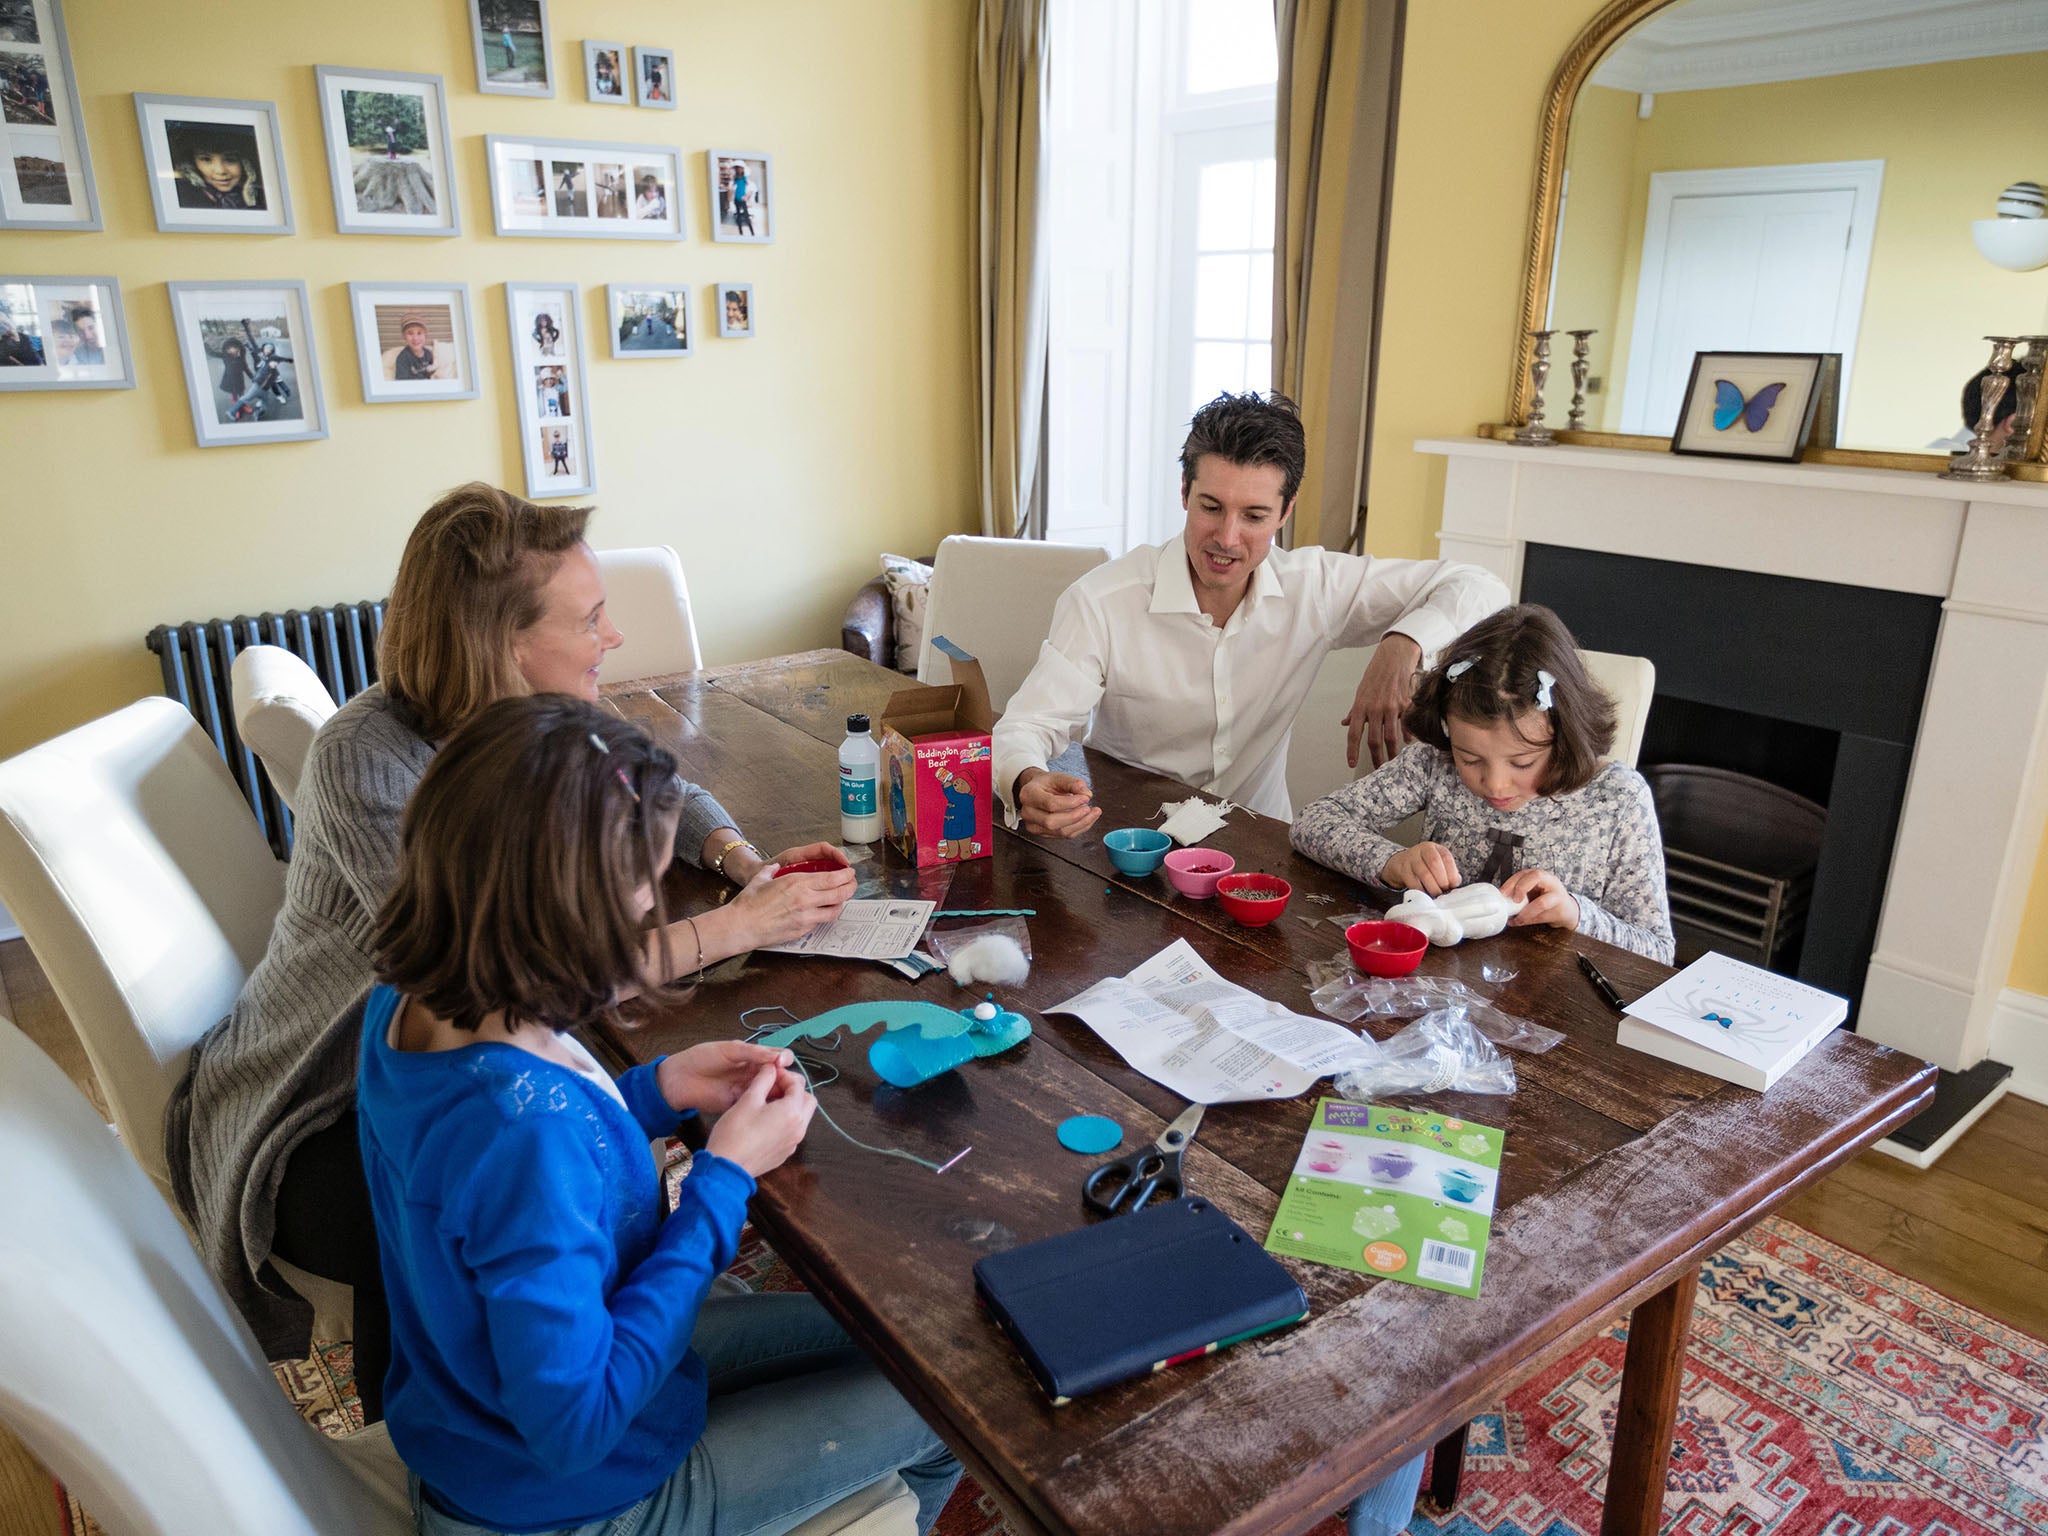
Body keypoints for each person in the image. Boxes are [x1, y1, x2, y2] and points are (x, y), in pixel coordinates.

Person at [164, 484, 856, 1424]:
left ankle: (567, 1349)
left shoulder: (538, 722)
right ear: (503, 645)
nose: (613, 638)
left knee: (553, 1194)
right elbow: (511, 970)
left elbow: (665, 788)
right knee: (470, 1224)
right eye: (592, 619)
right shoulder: (373, 756)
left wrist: (742, 865)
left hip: (426, 1059)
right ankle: (446, 1440)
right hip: (315, 1100)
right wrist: (737, 929)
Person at [358, 695, 962, 1536]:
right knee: (952, 1405)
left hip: (481, 1417)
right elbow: (575, 1426)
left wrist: (657, 1088)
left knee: (903, 1341)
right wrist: (723, 1182)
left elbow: (492, 1194)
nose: (650, 915)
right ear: (564, 918)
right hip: (571, 1497)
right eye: (640, 895)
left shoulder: (416, 997)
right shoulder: (522, 1136)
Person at [995, 391, 1509, 835]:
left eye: (1255, 515)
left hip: (1256, 844)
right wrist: (1025, 781)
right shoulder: (1102, 602)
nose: (1226, 537)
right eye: (1211, 507)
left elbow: (1482, 585)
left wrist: (1402, 645)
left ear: (1285, 512)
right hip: (1126, 840)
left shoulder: (1316, 588)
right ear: (1183, 492)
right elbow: (1022, 728)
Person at [1291, 604, 1674, 962]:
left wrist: (1576, 913)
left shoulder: (1618, 798)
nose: (1495, 784)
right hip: (1434, 981)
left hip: (1548, 1008)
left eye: (1522, 762)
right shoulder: (1433, 763)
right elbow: (1312, 822)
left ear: (1567, 737)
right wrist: (1391, 861)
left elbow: (1657, 950)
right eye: (1470, 758)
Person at [167, 120, 264, 211]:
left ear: (246, 164)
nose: (220, 171)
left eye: (230, 159)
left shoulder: (262, 199)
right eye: (206, 159)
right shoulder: (181, 197)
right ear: (191, 163)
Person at [385, 315, 443, 382]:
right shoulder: (403, 358)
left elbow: (431, 370)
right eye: (410, 333)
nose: (415, 338)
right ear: (404, 337)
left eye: (419, 333)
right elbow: (402, 383)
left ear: (425, 335)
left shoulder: (428, 354)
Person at [213, 331, 251, 411]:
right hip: (230, 380)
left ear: (237, 348)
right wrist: (204, 346)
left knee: (241, 394)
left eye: (232, 348)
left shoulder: (241, 359)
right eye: (228, 349)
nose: (230, 350)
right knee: (234, 395)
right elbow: (213, 353)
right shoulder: (225, 356)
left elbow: (246, 369)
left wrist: (253, 378)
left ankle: (243, 405)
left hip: (239, 380)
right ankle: (236, 408)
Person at [731, 161, 755, 235]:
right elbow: (733, 187)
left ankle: (752, 232)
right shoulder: (735, 178)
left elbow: (750, 187)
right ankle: (740, 232)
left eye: (740, 169)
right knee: (738, 216)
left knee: (746, 216)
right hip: (736, 199)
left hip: (742, 199)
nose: (739, 170)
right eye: (737, 169)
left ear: (743, 170)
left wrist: (747, 196)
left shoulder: (745, 178)